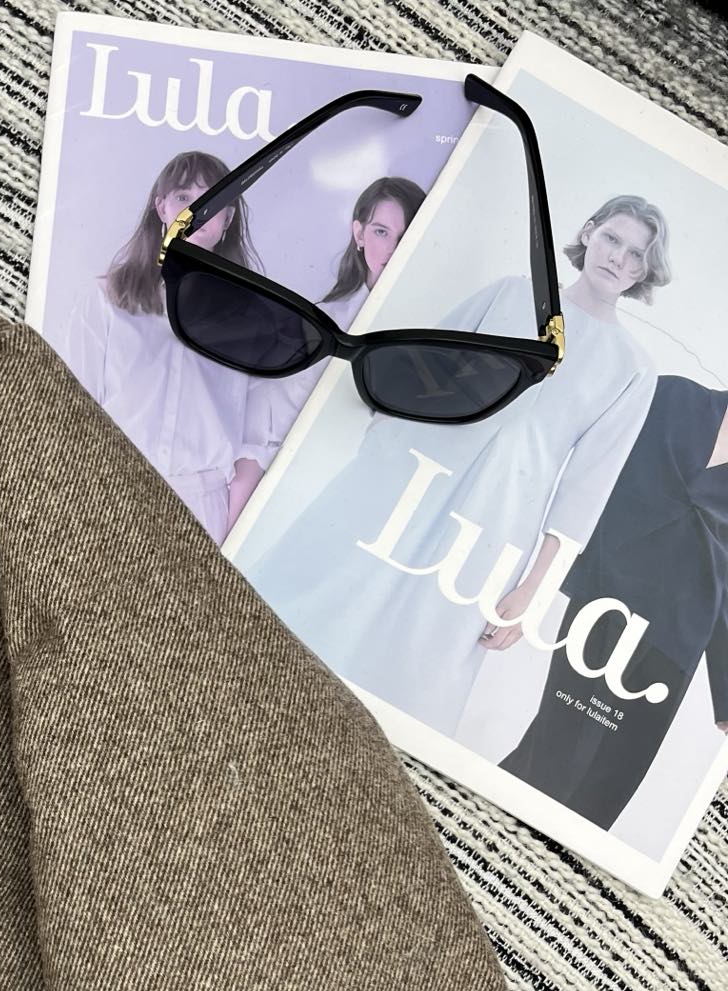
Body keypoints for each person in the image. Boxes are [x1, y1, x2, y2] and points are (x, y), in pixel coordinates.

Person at [241, 194, 668, 737]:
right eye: (612, 239)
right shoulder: (511, 294)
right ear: (589, 232)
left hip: (494, 524)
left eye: (636, 255)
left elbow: (586, 490)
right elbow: (420, 366)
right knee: (323, 599)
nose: (618, 259)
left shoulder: (633, 369)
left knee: (418, 664)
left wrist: (532, 592)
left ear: (644, 272)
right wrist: (381, 446)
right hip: (409, 476)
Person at [497, 374, 728, 827]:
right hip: (605, 600)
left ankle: (545, 861)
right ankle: (488, 832)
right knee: (556, 749)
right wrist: (538, 585)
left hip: (677, 637)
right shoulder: (671, 396)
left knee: (610, 780)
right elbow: (595, 481)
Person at [63, 150, 266, 545]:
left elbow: (256, 439)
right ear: (161, 208)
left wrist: (229, 531)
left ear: (228, 218)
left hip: (205, 507)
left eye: (212, 200)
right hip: (114, 494)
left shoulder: (253, 316)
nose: (197, 212)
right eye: (183, 197)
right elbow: (74, 410)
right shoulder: (107, 299)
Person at [228, 175, 427, 528]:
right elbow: (264, 426)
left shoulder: (426, 336)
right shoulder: (321, 322)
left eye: (406, 235)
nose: (393, 248)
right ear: (359, 234)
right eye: (381, 232)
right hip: (281, 493)